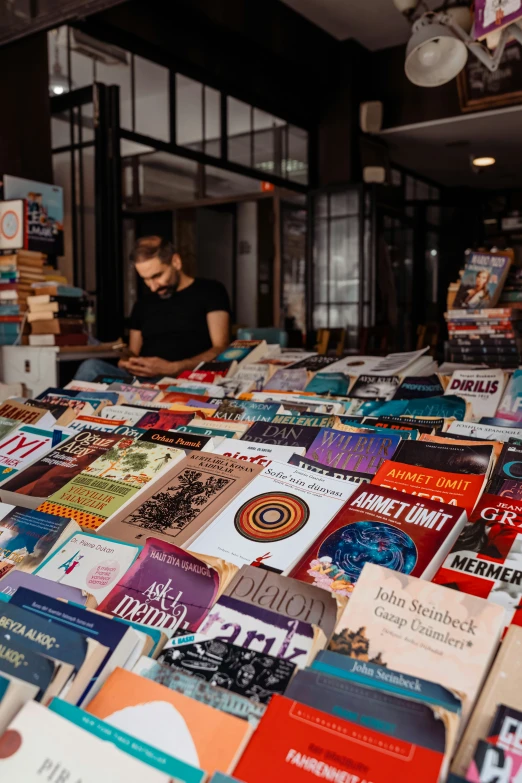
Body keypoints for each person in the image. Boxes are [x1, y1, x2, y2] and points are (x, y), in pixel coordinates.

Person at [75, 236, 231, 382]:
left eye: (157, 276)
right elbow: (133, 353)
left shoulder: (211, 291)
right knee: (91, 367)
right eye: (145, 279)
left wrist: (174, 368)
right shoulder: (143, 304)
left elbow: (221, 348)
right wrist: (127, 363)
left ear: (176, 262)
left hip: (186, 379)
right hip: (142, 382)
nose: (152, 286)